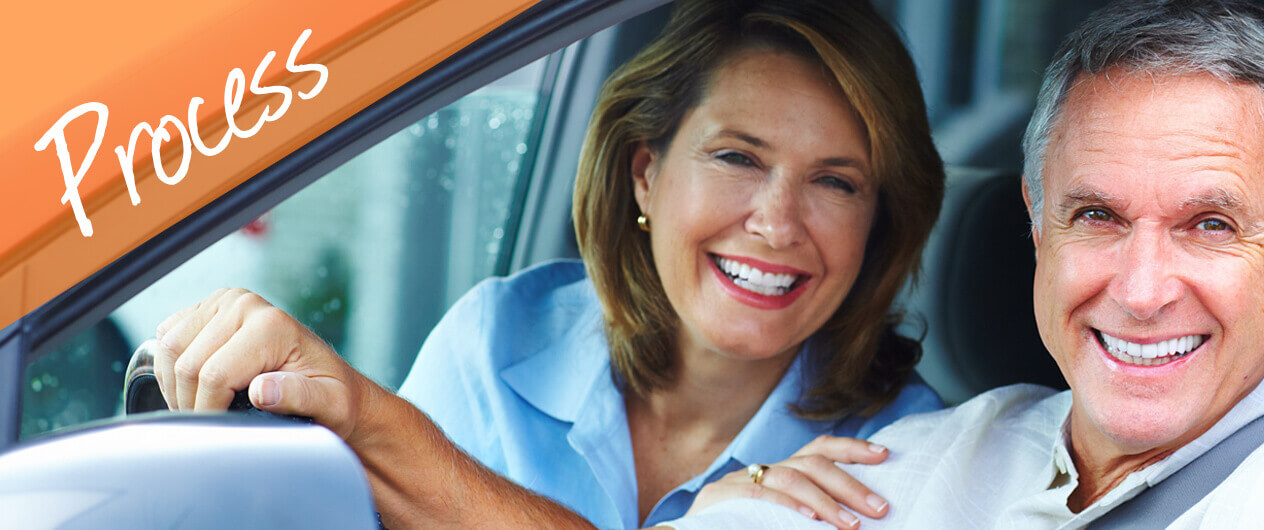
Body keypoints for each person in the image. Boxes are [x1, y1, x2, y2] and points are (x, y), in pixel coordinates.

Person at [657, 1, 1264, 528]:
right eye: (1096, 215)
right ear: (1037, 225)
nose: (1139, 292)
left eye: (1211, 225)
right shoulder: (907, 462)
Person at [145, 0, 948, 528]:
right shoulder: (497, 341)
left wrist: (372, 421)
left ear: (878, 223)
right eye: (738, 157)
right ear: (645, 173)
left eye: (836, 182)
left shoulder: (916, 453)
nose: (776, 223)